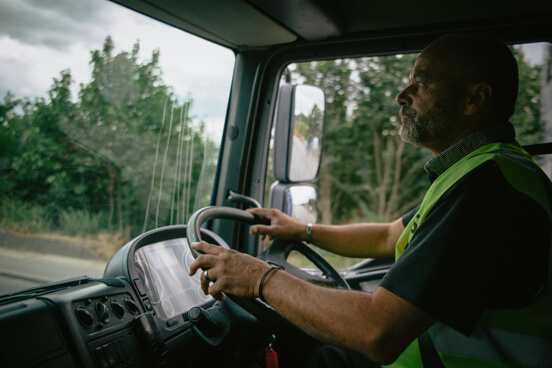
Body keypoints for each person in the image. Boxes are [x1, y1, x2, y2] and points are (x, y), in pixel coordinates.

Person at [189, 33, 552, 367]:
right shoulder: (485, 169)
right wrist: (302, 229)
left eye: (421, 83)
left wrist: (259, 278)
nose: (402, 95)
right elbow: (388, 237)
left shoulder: (486, 188)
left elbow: (378, 332)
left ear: (475, 99)